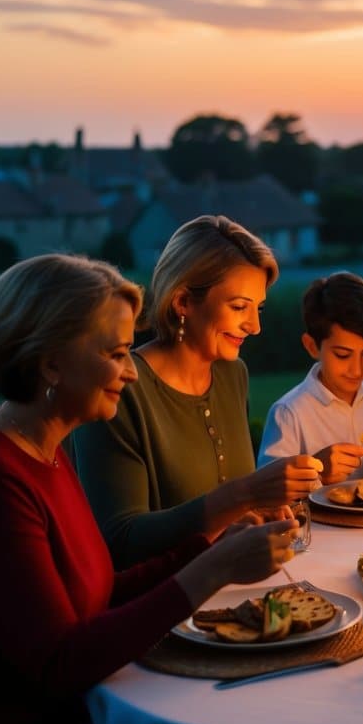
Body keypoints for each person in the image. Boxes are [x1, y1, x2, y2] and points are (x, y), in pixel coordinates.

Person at [0, 255, 298, 724]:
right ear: (52, 365)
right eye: (115, 354)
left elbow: (96, 592)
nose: (131, 372)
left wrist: (207, 549)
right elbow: (59, 663)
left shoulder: (42, 449)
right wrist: (212, 570)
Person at [74, 215, 321, 569]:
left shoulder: (233, 374)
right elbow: (121, 542)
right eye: (239, 307)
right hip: (162, 608)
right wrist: (246, 494)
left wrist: (257, 510)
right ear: (183, 302)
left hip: (231, 590)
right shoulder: (120, 387)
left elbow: (225, 517)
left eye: (258, 308)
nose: (255, 326)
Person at [257, 271, 363, 482]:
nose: (358, 370)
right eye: (343, 355)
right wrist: (318, 473)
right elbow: (269, 497)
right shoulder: (289, 414)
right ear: (312, 346)